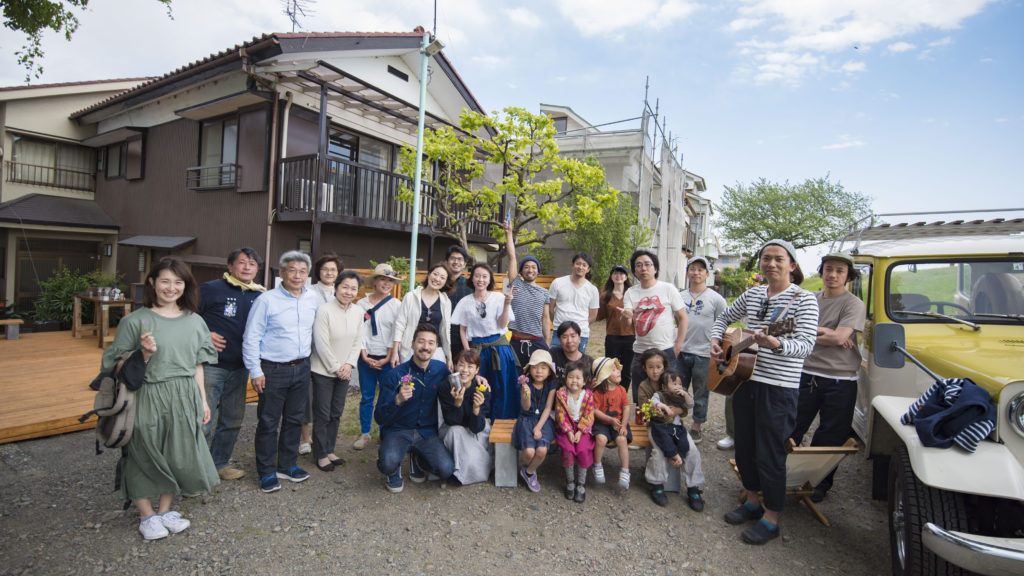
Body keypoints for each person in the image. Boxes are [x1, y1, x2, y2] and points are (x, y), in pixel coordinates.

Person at [710, 239, 819, 545]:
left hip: (779, 389)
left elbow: (806, 345)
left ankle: (771, 519)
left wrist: (777, 343)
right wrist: (717, 340)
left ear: (792, 265)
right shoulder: (754, 294)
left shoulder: (804, 300)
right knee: (744, 447)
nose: (771, 263)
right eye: (766, 258)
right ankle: (752, 502)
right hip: (745, 381)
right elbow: (724, 317)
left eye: (778, 259)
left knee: (770, 453)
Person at [102, 257, 219, 540]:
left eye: (178, 282)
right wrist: (143, 354)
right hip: (146, 394)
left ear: (186, 286)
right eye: (165, 281)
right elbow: (113, 366)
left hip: (184, 393)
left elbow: (197, 365)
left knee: (177, 453)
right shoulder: (135, 321)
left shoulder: (195, 321)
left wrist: (203, 400)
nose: (171, 288)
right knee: (143, 452)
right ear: (152, 283)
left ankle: (165, 511)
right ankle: (146, 515)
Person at [789, 252, 865, 502]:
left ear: (848, 276)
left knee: (831, 435)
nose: (832, 275)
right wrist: (829, 333)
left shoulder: (853, 304)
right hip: (806, 372)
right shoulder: (810, 299)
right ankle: (783, 476)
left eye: (839, 271)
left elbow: (839, 337)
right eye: (828, 269)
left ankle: (818, 484)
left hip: (841, 379)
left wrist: (827, 334)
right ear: (821, 272)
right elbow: (791, 330)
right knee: (792, 426)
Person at [242, 250, 320, 494]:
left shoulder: (313, 298)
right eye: (292, 270)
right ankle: (266, 471)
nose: (297, 276)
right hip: (272, 369)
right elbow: (251, 337)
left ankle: (287, 465)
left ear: (308, 274)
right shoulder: (267, 300)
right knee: (268, 421)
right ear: (282, 272)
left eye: (302, 271)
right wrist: (255, 371)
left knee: (294, 419)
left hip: (302, 367)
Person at [197, 247, 265, 481]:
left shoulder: (260, 295)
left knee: (232, 419)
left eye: (252, 264)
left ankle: (219, 463)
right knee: (202, 419)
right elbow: (186, 316)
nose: (247, 267)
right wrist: (204, 334)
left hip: (240, 367)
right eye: (242, 262)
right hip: (210, 365)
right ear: (230, 266)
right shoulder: (210, 289)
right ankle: (196, 470)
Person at [375, 323, 456, 493]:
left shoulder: (440, 370)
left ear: (436, 347)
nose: (425, 347)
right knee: (387, 463)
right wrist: (397, 400)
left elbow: (460, 381)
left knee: (446, 469)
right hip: (398, 431)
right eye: (421, 341)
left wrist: (479, 380)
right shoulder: (395, 375)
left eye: (431, 343)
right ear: (412, 344)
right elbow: (379, 417)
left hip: (426, 433)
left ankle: (417, 458)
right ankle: (393, 469)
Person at [637, 348, 705, 511]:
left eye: (658, 367)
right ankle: (657, 485)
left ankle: (694, 487)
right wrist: (658, 411)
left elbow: (686, 408)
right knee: (659, 453)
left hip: (676, 426)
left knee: (693, 451)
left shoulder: (673, 382)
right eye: (651, 367)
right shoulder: (644, 386)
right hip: (656, 426)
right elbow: (643, 408)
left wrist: (678, 410)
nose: (655, 371)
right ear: (644, 368)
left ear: (664, 367)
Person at [310, 270, 364, 472]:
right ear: (336, 287)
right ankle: (320, 454)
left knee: (336, 412)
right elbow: (321, 344)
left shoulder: (358, 312)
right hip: (323, 371)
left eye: (353, 288)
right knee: (323, 414)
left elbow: (358, 341)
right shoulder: (324, 310)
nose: (349, 292)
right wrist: (336, 367)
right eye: (345, 287)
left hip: (345, 371)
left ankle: (329, 449)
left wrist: (348, 365)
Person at [451, 262, 518, 419]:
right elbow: (462, 330)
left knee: (502, 386)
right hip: (477, 350)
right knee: (479, 387)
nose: (480, 280)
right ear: (472, 278)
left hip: (498, 348)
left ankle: (502, 421)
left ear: (490, 280)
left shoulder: (499, 297)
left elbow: (502, 324)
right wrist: (468, 353)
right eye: (477, 276)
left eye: (484, 276)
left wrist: (507, 304)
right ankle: (480, 421)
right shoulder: (465, 301)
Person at [621, 250, 688, 402]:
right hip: (640, 352)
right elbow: (627, 323)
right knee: (641, 396)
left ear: (655, 268)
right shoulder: (630, 292)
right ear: (634, 271)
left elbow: (683, 318)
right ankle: (643, 417)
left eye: (647, 264)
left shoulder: (668, 289)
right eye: (639, 265)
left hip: (665, 350)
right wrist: (625, 317)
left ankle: (667, 417)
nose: (643, 268)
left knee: (669, 394)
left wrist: (678, 345)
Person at [678, 256, 727, 444]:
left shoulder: (716, 299)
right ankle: (677, 422)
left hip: (704, 354)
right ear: (687, 273)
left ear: (707, 274)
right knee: (677, 389)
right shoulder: (680, 296)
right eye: (692, 269)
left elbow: (724, 324)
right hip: (681, 351)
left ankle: (697, 426)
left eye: (700, 269)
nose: (696, 273)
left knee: (701, 392)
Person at [353, 263, 403, 450]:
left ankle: (385, 432)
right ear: (375, 281)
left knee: (387, 397)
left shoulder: (396, 305)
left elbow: (396, 332)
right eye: (383, 279)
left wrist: (389, 356)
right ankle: (365, 433)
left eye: (390, 280)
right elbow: (359, 331)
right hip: (366, 358)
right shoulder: (361, 304)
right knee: (366, 397)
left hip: (387, 359)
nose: (386, 283)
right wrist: (364, 355)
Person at [299, 253, 344, 455]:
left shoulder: (341, 292)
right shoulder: (308, 292)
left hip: (333, 352)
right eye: (325, 269)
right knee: (306, 396)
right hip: (309, 350)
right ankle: (304, 438)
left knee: (326, 402)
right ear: (318, 271)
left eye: (333, 270)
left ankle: (324, 440)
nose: (329, 273)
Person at [438, 349, 492, 485]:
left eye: (470, 366)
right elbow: (451, 422)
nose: (465, 370)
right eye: (461, 365)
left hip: (475, 431)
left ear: (477, 370)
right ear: (455, 366)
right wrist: (457, 403)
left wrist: (476, 409)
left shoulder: (481, 389)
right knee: (455, 432)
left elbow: (477, 428)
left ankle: (465, 469)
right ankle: (463, 472)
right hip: (453, 433)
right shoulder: (446, 387)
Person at [503, 220, 552, 367]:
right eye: (526, 267)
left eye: (533, 267)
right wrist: (509, 233)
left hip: (537, 341)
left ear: (538, 271)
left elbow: (546, 318)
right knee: (514, 375)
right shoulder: (516, 283)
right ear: (521, 271)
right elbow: (512, 256)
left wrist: (547, 343)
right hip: (515, 341)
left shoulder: (544, 292)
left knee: (538, 376)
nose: (530, 270)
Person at [512, 350, 558, 493]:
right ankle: (530, 469)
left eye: (543, 368)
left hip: (543, 420)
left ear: (549, 371)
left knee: (542, 449)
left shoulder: (551, 385)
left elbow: (548, 408)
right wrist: (526, 395)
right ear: (529, 369)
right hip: (526, 418)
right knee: (529, 452)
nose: (539, 371)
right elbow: (525, 407)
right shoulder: (526, 384)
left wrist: (538, 428)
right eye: (535, 367)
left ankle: (529, 471)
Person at [391, 262, 451, 366]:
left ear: (445, 282)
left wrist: (449, 357)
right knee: (409, 376)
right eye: (435, 274)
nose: (437, 279)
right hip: (410, 349)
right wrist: (395, 352)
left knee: (436, 376)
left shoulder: (446, 302)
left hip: (436, 351)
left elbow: (445, 331)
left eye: (442, 277)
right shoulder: (411, 297)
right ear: (429, 274)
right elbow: (400, 324)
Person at [553, 359, 596, 503]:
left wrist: (580, 431)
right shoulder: (561, 394)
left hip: (582, 429)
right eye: (570, 377)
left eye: (578, 378)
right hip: (566, 428)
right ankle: (570, 481)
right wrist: (569, 431)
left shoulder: (588, 395)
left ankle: (581, 483)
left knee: (583, 449)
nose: (574, 381)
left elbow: (589, 415)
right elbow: (560, 415)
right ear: (565, 378)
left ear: (584, 381)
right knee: (567, 449)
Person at [590, 357, 632, 490]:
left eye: (617, 369)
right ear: (605, 376)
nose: (618, 371)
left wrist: (623, 425)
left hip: (619, 422)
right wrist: (610, 420)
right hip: (602, 422)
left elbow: (626, 407)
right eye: (613, 370)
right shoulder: (597, 392)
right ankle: (597, 465)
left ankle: (625, 470)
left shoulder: (621, 390)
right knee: (601, 439)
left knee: (621, 439)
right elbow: (595, 410)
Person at [548, 252, 600, 353]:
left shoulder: (592, 290)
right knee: (555, 361)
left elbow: (593, 316)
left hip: (581, 334)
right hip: (559, 332)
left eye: (584, 265)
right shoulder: (558, 283)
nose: (580, 267)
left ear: (588, 269)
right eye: (578, 263)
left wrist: (579, 326)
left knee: (577, 363)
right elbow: (550, 308)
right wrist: (560, 323)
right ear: (572, 265)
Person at [596, 264, 635, 395]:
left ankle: (622, 395)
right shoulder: (605, 296)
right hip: (612, 337)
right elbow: (598, 315)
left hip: (630, 336)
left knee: (626, 370)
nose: (618, 276)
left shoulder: (632, 294)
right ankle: (611, 395)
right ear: (611, 276)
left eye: (621, 273)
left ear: (626, 277)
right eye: (615, 273)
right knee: (611, 369)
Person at [444, 245, 473, 359]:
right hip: (441, 338)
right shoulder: (439, 283)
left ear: (465, 264)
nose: (456, 262)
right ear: (447, 262)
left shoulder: (471, 285)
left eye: (460, 259)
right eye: (452, 258)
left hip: (464, 340)